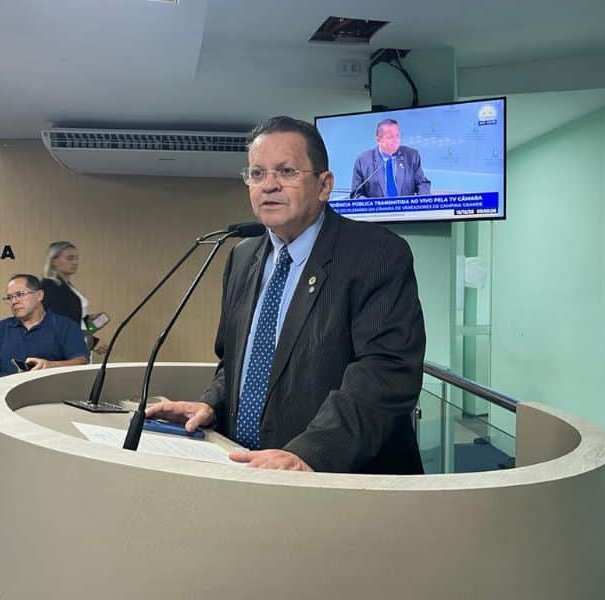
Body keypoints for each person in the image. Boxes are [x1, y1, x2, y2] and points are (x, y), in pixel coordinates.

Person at [147, 116, 426, 474]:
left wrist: (310, 452)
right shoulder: (241, 257)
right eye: (257, 173)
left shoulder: (376, 254)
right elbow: (236, 364)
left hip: (338, 481)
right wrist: (212, 404)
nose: (269, 185)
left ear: (324, 185)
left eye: (287, 171)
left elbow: (385, 374)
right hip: (247, 470)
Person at [0, 274, 88, 384]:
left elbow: (81, 362)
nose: (14, 301)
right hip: (3, 395)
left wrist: (51, 366)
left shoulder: (65, 326)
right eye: (10, 297)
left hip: (48, 394)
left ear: (39, 295)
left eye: (20, 295)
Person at [41, 241, 107, 353]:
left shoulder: (68, 287)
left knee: (102, 319)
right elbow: (57, 323)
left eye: (76, 258)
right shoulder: (49, 287)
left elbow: (72, 320)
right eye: (70, 258)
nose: (75, 262)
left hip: (75, 346)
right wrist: (92, 341)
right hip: (60, 351)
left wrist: (88, 320)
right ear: (54, 261)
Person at [350, 118, 431, 198]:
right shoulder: (363, 161)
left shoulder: (411, 156)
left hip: (406, 206)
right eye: (390, 137)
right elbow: (356, 193)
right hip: (376, 206)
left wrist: (423, 200)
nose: (396, 140)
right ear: (378, 139)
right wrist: (369, 204)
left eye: (397, 136)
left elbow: (422, 183)